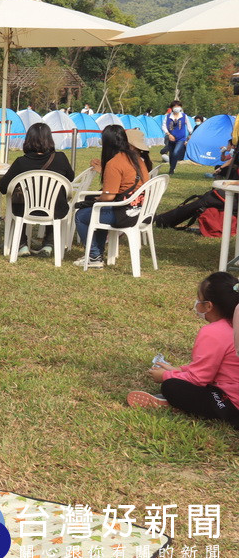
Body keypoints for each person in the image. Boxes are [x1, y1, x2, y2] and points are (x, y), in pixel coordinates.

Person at [127, 272, 239, 430]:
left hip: (230, 403)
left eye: (199, 300)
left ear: (208, 306)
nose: (196, 304)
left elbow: (199, 379)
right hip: (228, 391)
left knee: (171, 387)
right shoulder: (234, 325)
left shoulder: (213, 332)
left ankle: (174, 403)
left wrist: (165, 376)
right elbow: (212, 367)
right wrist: (179, 370)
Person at [75, 125, 150, 269]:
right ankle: (97, 254)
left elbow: (108, 198)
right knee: (99, 210)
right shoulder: (138, 159)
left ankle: (94, 256)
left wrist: (98, 200)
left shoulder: (115, 162)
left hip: (125, 213)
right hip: (142, 210)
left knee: (81, 216)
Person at [0, 122, 75, 257]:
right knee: (54, 198)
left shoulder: (21, 162)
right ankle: (49, 244)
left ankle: (22, 245)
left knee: (17, 202)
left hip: (26, 209)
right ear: (49, 139)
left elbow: (3, 187)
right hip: (54, 209)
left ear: (28, 140)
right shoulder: (60, 158)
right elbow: (71, 177)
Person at [161, 100, 189, 174]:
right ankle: (172, 168)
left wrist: (190, 134)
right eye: (175, 106)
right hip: (171, 138)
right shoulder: (168, 117)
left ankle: (172, 168)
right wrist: (169, 134)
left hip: (181, 138)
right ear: (172, 108)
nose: (177, 108)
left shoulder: (184, 116)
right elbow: (163, 126)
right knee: (171, 154)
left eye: (178, 106)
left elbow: (189, 126)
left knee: (175, 153)